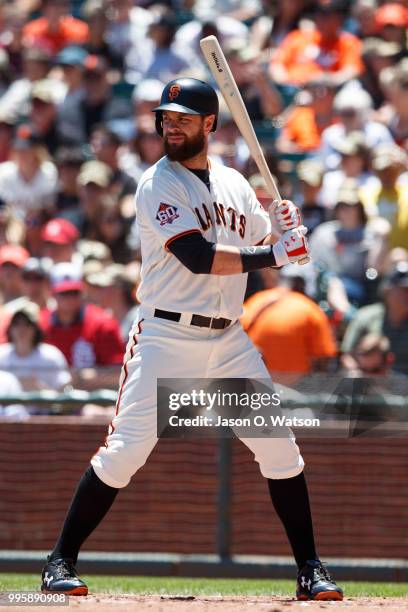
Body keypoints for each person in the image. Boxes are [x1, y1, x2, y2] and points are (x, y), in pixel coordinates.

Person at [40, 77, 343, 601]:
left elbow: (258, 242)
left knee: (280, 450)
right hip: (164, 332)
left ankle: (310, 571)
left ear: (209, 124)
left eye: (183, 117)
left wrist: (283, 229)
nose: (170, 125)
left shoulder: (233, 183)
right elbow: (199, 258)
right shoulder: (158, 182)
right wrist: (277, 255)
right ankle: (58, 562)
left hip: (228, 339)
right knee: (126, 453)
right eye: (166, 116)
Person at [341, 261, 408, 375]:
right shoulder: (366, 316)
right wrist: (355, 372)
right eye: (404, 290)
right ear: (387, 290)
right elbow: (347, 355)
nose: (407, 295)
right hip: (370, 381)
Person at [0, 302, 71, 402]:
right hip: (7, 415)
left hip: (45, 414)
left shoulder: (51, 355)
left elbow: (65, 393)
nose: (21, 329)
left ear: (36, 328)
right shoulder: (1, 355)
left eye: (27, 324)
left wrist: (39, 388)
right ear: (10, 328)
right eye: (16, 324)